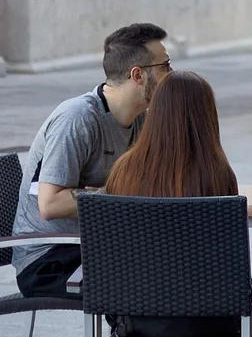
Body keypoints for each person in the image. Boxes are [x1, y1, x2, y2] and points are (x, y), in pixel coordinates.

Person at [98, 71, 248, 337]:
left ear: (155, 113)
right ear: (206, 118)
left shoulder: (123, 171)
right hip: (207, 324)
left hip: (135, 323)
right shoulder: (217, 173)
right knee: (232, 297)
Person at [12, 23, 170, 299]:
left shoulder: (142, 119)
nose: (171, 74)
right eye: (165, 66)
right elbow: (50, 204)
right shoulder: (77, 119)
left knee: (183, 263)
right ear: (138, 75)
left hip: (96, 247)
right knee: (155, 283)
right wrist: (120, 194)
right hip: (48, 259)